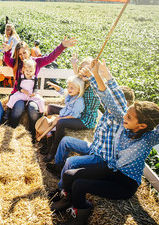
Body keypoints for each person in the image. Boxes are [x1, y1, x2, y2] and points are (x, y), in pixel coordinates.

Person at [50, 60, 159, 225]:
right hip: (111, 170)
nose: (124, 116)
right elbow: (111, 100)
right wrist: (100, 75)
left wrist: (96, 76)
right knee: (70, 175)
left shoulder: (148, 139)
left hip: (124, 183)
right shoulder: (124, 126)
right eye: (125, 114)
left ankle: (80, 214)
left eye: (129, 116)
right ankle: (66, 199)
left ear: (142, 125)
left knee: (79, 185)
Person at [46, 59, 135, 202]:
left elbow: (106, 95)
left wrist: (95, 76)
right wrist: (106, 74)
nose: (110, 100)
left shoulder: (120, 116)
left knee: (71, 161)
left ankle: (61, 190)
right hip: (95, 147)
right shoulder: (109, 112)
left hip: (101, 157)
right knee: (65, 141)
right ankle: (58, 167)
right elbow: (111, 92)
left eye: (113, 99)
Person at [3, 37, 77, 141]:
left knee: (33, 109)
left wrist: (62, 46)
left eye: (24, 53)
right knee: (18, 108)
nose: (22, 56)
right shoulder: (16, 63)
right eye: (19, 54)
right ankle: (11, 129)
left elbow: (50, 57)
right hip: (19, 93)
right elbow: (7, 60)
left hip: (32, 94)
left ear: (29, 51)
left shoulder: (37, 62)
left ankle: (35, 132)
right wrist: (7, 51)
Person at [40, 55, 100, 162]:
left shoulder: (94, 87)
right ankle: (49, 139)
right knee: (50, 108)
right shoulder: (83, 82)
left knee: (61, 122)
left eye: (88, 69)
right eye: (83, 69)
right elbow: (76, 80)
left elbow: (97, 82)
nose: (85, 72)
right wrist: (74, 64)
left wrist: (97, 73)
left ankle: (53, 151)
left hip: (84, 119)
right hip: (75, 110)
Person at [37, 75, 85, 162]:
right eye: (68, 87)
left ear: (79, 90)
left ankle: (52, 151)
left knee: (57, 123)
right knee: (50, 109)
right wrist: (57, 87)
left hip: (70, 118)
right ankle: (48, 144)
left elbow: (74, 115)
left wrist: (61, 118)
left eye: (72, 88)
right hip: (64, 114)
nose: (69, 89)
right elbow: (63, 92)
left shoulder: (79, 101)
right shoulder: (70, 94)